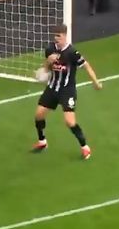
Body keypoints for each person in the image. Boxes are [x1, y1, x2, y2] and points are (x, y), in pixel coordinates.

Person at [32, 24, 102, 160]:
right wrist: (48, 61)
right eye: (55, 36)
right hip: (52, 88)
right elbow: (47, 69)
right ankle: (42, 141)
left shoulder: (72, 53)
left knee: (69, 122)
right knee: (39, 115)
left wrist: (96, 82)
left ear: (65, 36)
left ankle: (85, 147)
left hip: (67, 91)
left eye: (59, 36)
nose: (56, 39)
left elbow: (86, 66)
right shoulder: (50, 49)